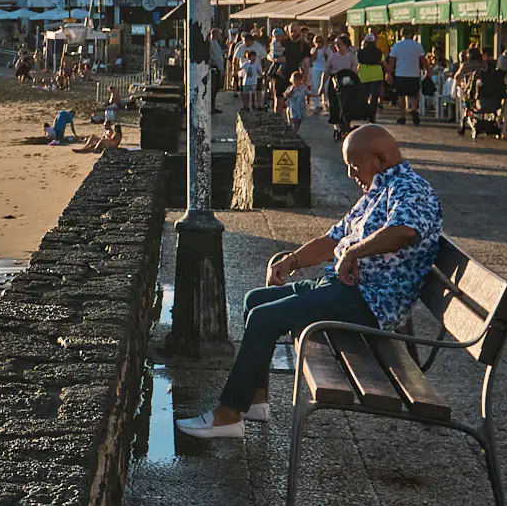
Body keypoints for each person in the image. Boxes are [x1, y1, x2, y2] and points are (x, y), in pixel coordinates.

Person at [176, 125, 444, 438]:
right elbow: (333, 239)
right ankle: (254, 401)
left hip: (369, 304)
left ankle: (227, 415)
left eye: (354, 165)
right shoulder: (378, 191)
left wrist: (353, 253)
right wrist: (291, 262)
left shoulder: (412, 190)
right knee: (255, 301)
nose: (349, 174)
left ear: (380, 159)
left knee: (265, 319)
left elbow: (403, 232)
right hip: (345, 291)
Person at [386, 27, 427, 126]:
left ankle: (402, 116)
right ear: (412, 35)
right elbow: (423, 59)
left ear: (401, 34)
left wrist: (389, 73)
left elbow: (391, 61)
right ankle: (414, 109)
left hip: (401, 73)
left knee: (401, 96)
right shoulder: (417, 45)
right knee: (413, 94)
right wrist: (427, 70)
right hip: (414, 73)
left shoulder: (397, 45)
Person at [357, 30, 385, 119]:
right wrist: (389, 72)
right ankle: (372, 115)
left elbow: (356, 64)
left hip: (364, 75)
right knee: (374, 97)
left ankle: (364, 114)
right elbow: (384, 63)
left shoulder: (360, 52)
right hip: (377, 75)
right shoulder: (379, 52)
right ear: (374, 41)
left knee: (364, 96)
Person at [238, 44, 263, 111]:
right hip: (246, 81)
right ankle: (246, 106)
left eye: (254, 56)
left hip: (254, 81)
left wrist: (262, 76)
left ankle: (253, 104)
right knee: (246, 94)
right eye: (252, 56)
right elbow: (240, 68)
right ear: (249, 57)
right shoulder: (246, 64)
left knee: (253, 93)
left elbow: (258, 72)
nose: (253, 58)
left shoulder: (256, 64)